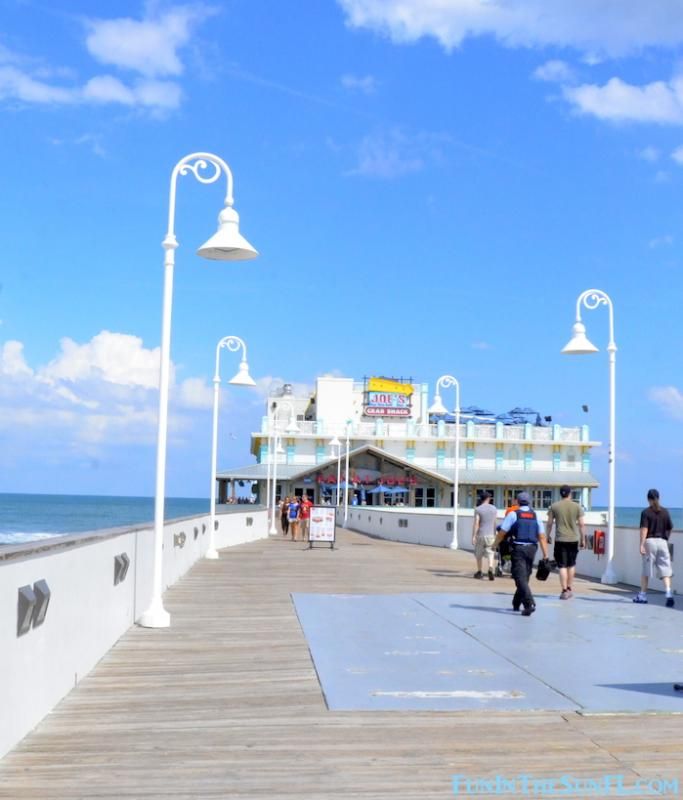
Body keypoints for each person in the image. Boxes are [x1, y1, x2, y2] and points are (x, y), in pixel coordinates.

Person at [494, 492, 548, 616]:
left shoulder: (513, 514)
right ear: (529, 502)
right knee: (526, 576)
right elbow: (542, 536)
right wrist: (546, 555)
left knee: (519, 577)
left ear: (517, 502)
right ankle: (516, 602)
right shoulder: (536, 516)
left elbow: (502, 532)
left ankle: (529, 603)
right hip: (532, 549)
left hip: (518, 548)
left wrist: (495, 544)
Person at [633, 488, 674, 607]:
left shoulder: (646, 512)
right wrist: (666, 538)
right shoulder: (665, 512)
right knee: (665, 570)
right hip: (662, 542)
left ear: (648, 499)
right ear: (659, 498)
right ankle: (668, 593)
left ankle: (642, 595)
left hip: (650, 542)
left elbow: (644, 529)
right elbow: (670, 527)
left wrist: (641, 544)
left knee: (646, 570)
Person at [545, 485, 586, 599]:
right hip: (573, 539)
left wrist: (547, 535)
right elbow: (582, 524)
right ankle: (569, 588)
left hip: (560, 539)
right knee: (571, 564)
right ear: (570, 493)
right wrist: (583, 539)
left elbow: (549, 523)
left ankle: (563, 590)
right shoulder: (577, 507)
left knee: (562, 566)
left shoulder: (554, 506)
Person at [472, 491, 498, 580]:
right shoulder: (494, 508)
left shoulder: (478, 509)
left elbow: (476, 523)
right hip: (491, 535)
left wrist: (474, 536)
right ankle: (490, 567)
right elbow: (495, 522)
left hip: (481, 534)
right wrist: (495, 534)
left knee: (478, 554)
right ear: (488, 498)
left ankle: (479, 572)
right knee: (490, 552)